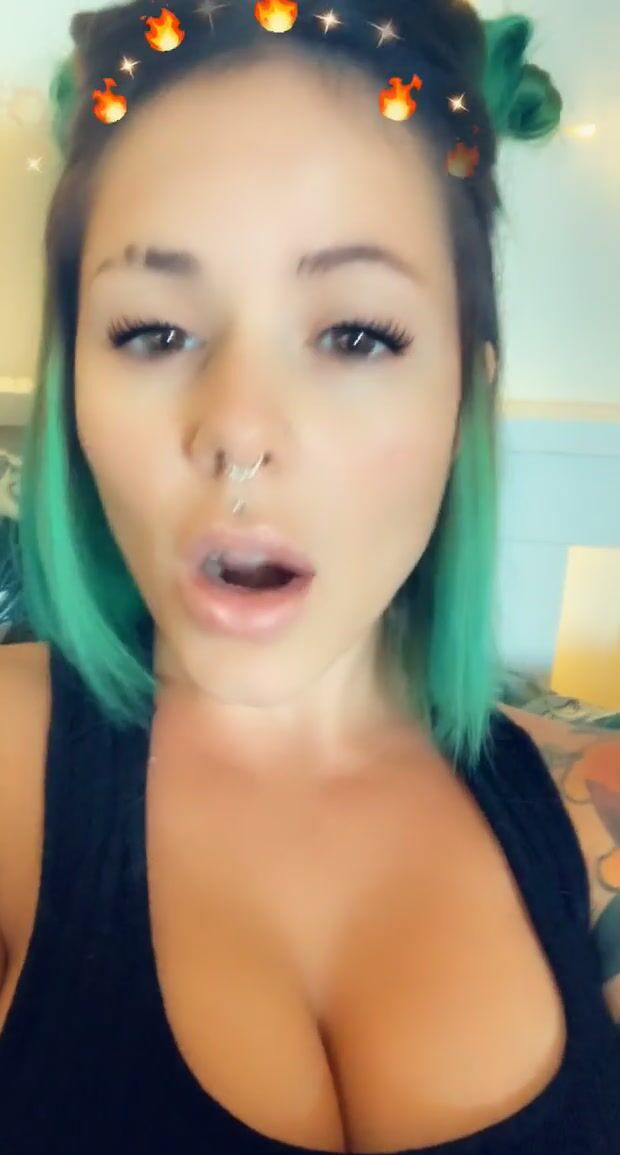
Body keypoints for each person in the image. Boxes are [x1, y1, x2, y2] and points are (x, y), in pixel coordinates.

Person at [0, 0, 618, 1152]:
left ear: (464, 395)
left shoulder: (589, 815)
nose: (238, 428)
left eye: (354, 336)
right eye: (152, 331)